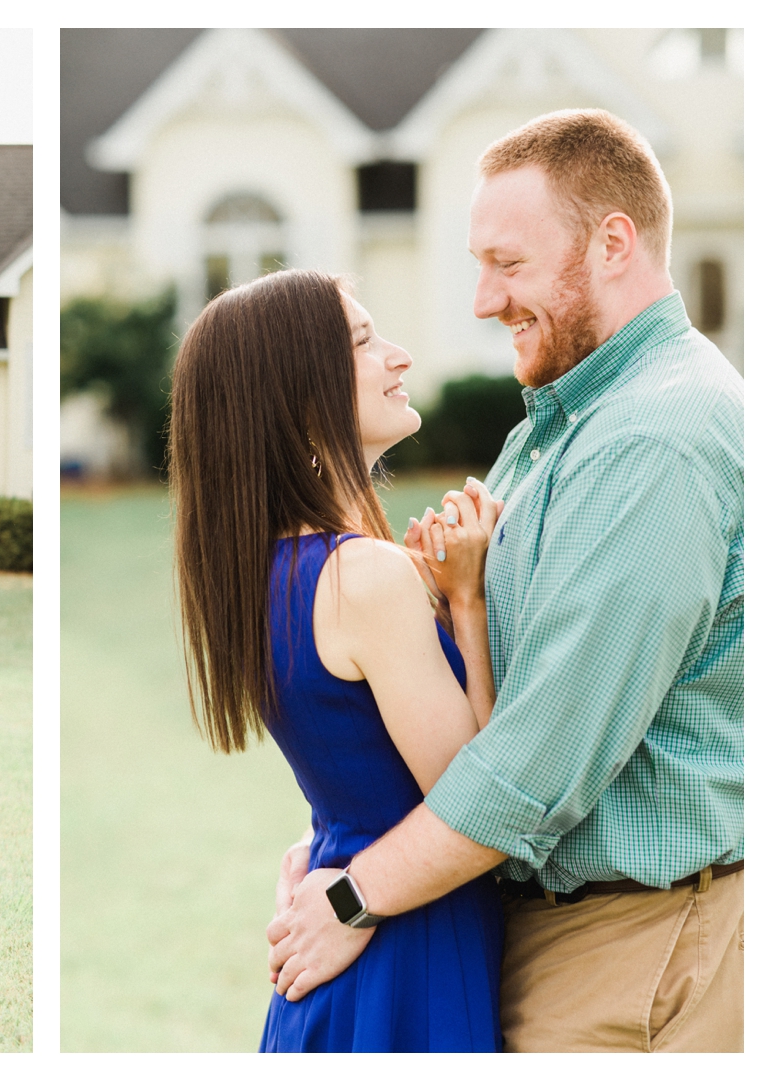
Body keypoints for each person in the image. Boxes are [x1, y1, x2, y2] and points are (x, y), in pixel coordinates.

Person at [268, 109, 743, 1053]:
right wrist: (348, 823)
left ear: (613, 244)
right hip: (545, 930)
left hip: (636, 951)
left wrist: (358, 887)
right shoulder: (563, 423)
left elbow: (536, 766)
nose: (484, 300)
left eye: (509, 264)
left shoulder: (655, 439)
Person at [171, 266, 508, 1051]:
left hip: (346, 936)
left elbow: (351, 763)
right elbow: (481, 797)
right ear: (300, 391)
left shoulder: (263, 570)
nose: (399, 357)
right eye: (363, 341)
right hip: (409, 947)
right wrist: (467, 601)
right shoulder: (364, 576)